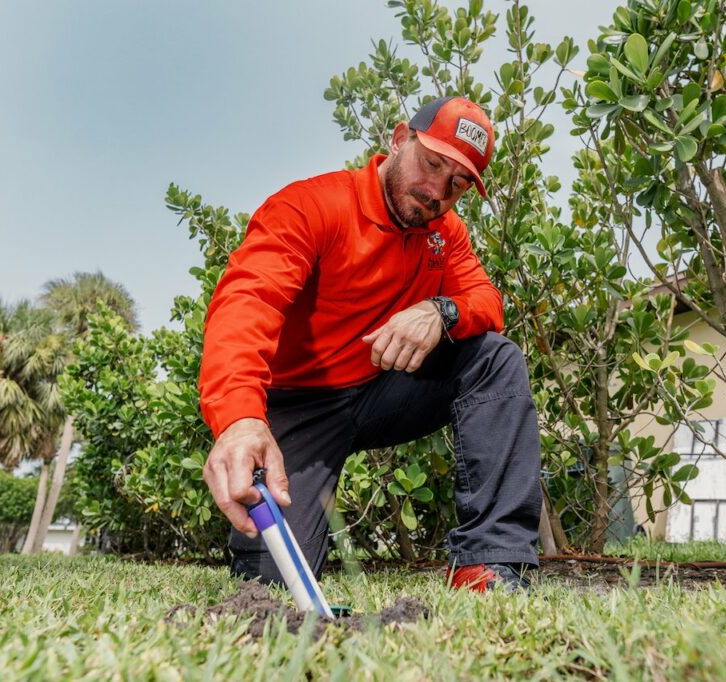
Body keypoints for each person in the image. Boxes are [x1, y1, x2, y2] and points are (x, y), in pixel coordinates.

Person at [199, 96, 541, 592]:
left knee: (494, 358)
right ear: (401, 139)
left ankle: (488, 564)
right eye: (431, 163)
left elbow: (486, 300)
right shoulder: (312, 205)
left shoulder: (445, 234)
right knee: (270, 584)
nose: (437, 192)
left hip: (381, 390)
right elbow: (248, 301)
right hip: (299, 407)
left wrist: (441, 310)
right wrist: (238, 420)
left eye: (458, 183)